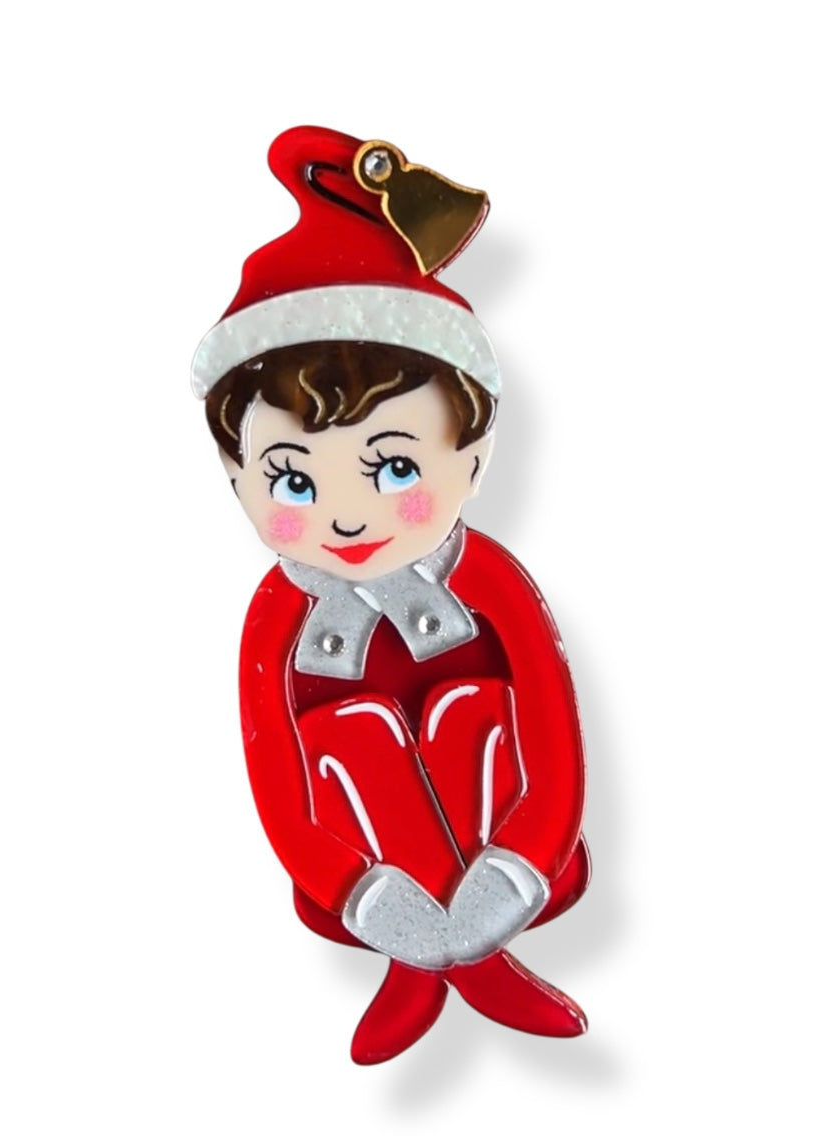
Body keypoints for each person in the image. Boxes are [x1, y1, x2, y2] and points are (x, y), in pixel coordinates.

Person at [191, 126, 590, 1064]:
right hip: (368, 854)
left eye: (395, 466)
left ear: (474, 455)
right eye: (294, 480)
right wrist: (355, 889)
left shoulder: (489, 581)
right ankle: (430, 963)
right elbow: (280, 784)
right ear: (236, 477)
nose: (344, 515)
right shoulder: (276, 617)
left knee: (459, 709)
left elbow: (551, 735)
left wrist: (521, 862)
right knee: (353, 733)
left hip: (498, 827)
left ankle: (463, 957)